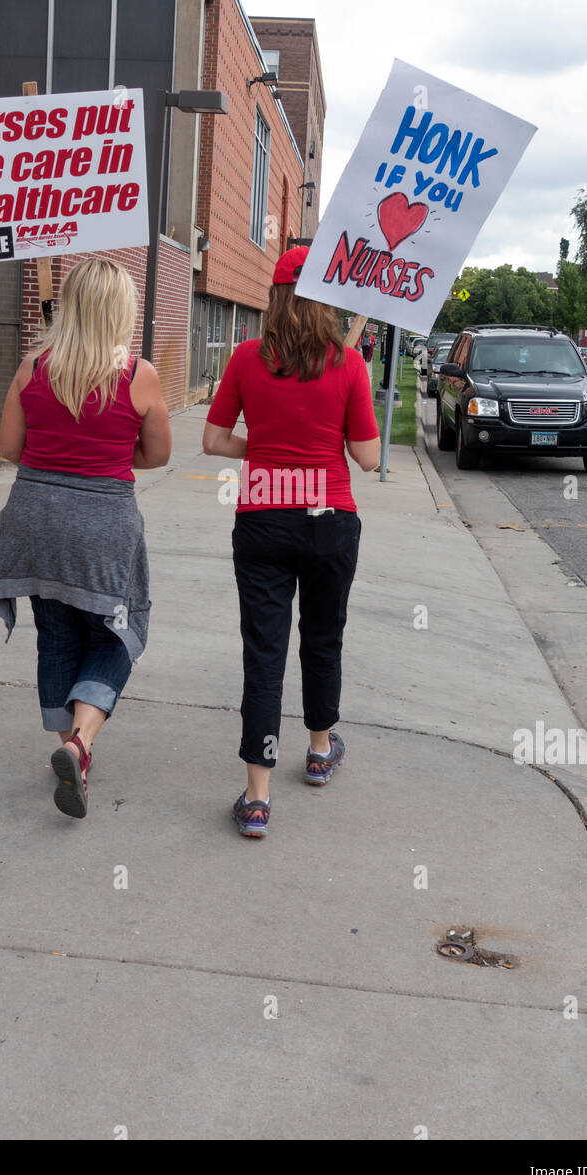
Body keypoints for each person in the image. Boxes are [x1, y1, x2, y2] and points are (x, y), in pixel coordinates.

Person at [0, 257, 171, 819]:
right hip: (102, 524)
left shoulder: (33, 366)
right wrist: (110, 453)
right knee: (118, 633)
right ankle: (80, 743)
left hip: (34, 518)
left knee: (58, 636)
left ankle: (69, 748)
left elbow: (11, 450)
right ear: (121, 311)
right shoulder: (138, 374)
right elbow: (158, 454)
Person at [202, 245, 381, 838]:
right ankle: (320, 749)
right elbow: (368, 455)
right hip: (330, 518)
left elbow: (212, 439)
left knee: (265, 652)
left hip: (263, 520)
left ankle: (257, 797)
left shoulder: (248, 358)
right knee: (323, 637)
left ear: (273, 297)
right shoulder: (349, 366)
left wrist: (267, 448)